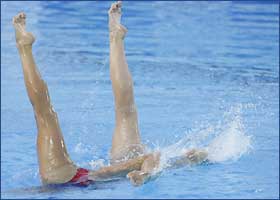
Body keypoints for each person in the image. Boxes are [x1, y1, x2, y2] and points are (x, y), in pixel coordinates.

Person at [13, 1, 208, 187]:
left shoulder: (150, 160)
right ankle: (114, 37)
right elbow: (152, 157)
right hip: (70, 178)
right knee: (48, 115)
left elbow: (151, 157)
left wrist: (146, 173)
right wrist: (148, 172)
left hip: (66, 179)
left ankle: (26, 48)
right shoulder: (155, 160)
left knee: (49, 114)